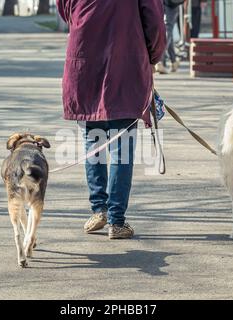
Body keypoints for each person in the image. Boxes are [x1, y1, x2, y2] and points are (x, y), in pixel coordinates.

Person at [56, 0, 166, 239]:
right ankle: (117, 221)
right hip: (126, 64)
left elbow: (66, 11)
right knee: (121, 147)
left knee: (92, 141)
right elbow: (155, 23)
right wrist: (153, 56)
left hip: (85, 63)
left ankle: (99, 210)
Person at [156, 0, 183, 74]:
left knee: (168, 30)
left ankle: (173, 61)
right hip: (170, 4)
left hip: (161, 3)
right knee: (168, 28)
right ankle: (159, 61)